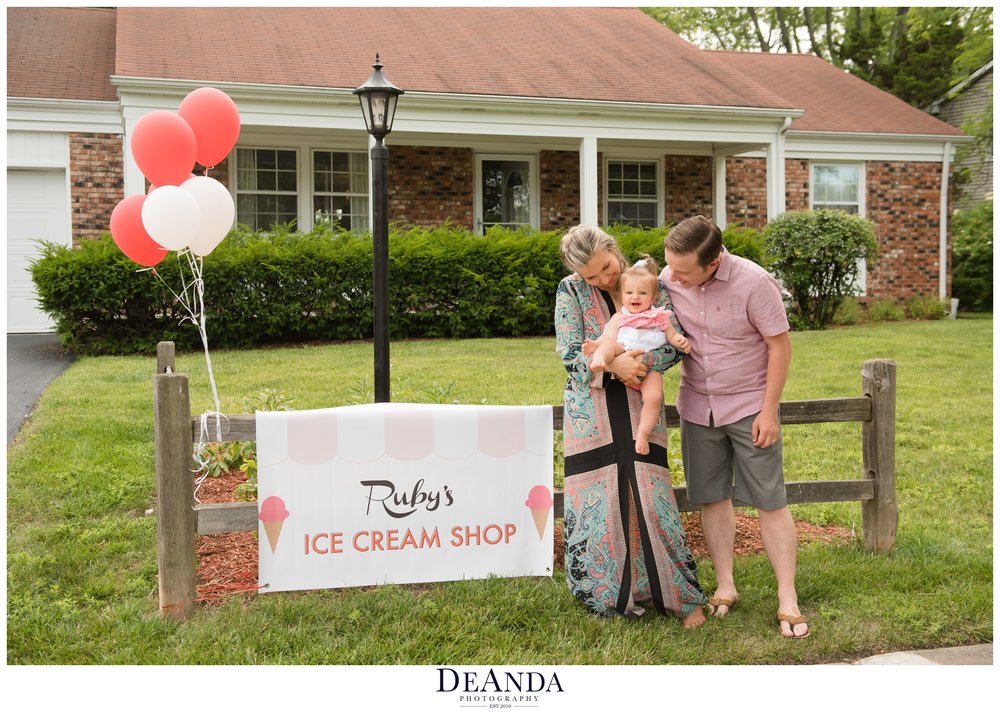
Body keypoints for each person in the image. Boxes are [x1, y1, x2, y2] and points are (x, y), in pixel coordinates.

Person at [660, 215, 809, 639]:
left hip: (748, 406)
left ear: (713, 263)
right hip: (696, 406)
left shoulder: (755, 282)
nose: (674, 276)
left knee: (770, 500)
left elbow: (779, 346)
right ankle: (726, 586)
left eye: (683, 270)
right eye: (670, 267)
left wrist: (768, 410)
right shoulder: (670, 277)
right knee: (710, 498)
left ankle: (787, 597)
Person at [555, 225, 707, 625]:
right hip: (593, 409)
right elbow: (569, 352)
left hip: (643, 403)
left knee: (649, 489)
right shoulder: (569, 292)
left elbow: (675, 342)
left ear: (612, 249)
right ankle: (606, 593)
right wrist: (611, 365)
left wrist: (635, 366)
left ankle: (676, 594)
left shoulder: (653, 282)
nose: (603, 279)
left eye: (605, 268)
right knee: (600, 499)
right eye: (592, 276)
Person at [582, 254, 691, 456]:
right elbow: (607, 337)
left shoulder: (659, 316)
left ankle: (642, 433)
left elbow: (672, 335)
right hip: (622, 350)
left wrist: (681, 341)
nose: (635, 297)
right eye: (629, 292)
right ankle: (600, 360)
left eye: (642, 293)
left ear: (654, 297)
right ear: (621, 295)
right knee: (610, 346)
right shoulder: (619, 317)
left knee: (654, 397)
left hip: (649, 370)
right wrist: (595, 345)